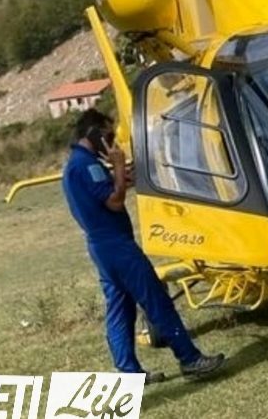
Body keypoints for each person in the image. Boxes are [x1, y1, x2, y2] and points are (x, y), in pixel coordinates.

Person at [61, 108, 225, 382]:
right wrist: (117, 166)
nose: (111, 142)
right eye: (107, 136)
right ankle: (190, 359)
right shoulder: (87, 166)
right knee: (156, 299)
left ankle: (129, 373)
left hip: (101, 248)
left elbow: (108, 192)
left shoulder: (76, 165)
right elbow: (114, 201)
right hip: (116, 246)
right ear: (93, 134)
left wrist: (124, 175)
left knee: (120, 310)